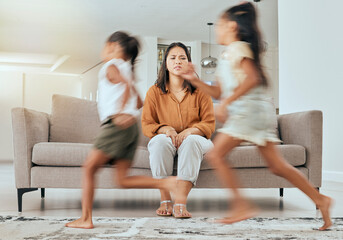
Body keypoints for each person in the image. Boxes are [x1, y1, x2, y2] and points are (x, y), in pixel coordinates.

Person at [178, 2, 333, 230]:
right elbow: (219, 92)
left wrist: (228, 103)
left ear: (231, 26)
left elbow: (253, 79)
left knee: (216, 155)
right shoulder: (227, 55)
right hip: (252, 113)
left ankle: (241, 206)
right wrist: (195, 79)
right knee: (278, 166)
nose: (217, 29)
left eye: (220, 24)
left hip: (247, 113)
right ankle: (321, 199)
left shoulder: (239, 48)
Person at [65, 31, 176, 229]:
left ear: (115, 47)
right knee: (122, 179)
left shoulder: (112, 65)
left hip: (116, 127)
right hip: (131, 129)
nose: (104, 51)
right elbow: (139, 99)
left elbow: (126, 87)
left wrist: (120, 112)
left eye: (106, 46)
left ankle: (86, 219)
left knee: (89, 169)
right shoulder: (127, 69)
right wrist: (129, 111)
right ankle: (165, 183)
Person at [142, 42, 215, 218]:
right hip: (167, 139)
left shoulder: (201, 91)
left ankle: (180, 203)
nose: (178, 61)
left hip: (196, 140)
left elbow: (209, 123)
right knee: (158, 142)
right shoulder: (154, 92)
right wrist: (165, 128)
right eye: (173, 58)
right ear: (165, 63)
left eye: (183, 58)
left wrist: (190, 131)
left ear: (188, 63)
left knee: (190, 142)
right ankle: (165, 199)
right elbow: (147, 124)